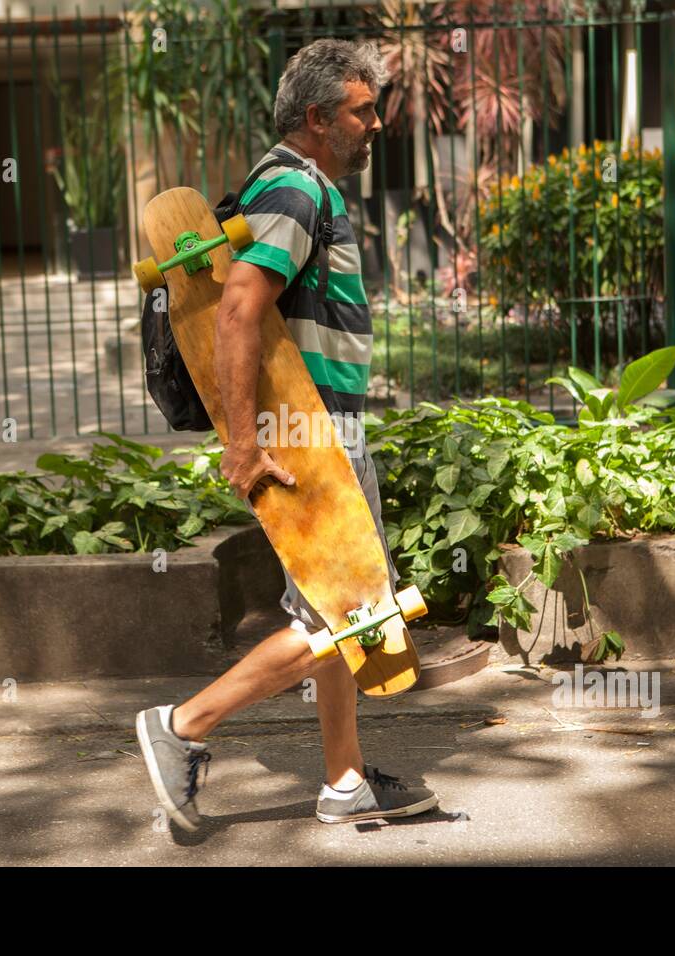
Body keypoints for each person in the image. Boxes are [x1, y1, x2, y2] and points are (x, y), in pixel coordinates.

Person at [135, 38, 437, 830]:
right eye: (361, 111)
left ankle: (345, 782)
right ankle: (181, 728)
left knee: (335, 606)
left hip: (320, 428)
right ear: (316, 117)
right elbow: (236, 312)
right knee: (352, 619)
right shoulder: (296, 192)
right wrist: (244, 442)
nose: (376, 124)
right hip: (312, 438)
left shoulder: (294, 187)